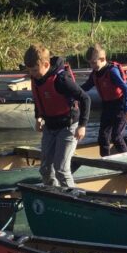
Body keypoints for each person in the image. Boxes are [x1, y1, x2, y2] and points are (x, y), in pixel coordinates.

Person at [24, 44, 91, 188]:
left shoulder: (61, 80)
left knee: (61, 169)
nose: (32, 74)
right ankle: (53, 193)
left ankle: (74, 197)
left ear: (46, 64)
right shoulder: (36, 78)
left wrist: (82, 125)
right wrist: (38, 117)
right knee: (45, 169)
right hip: (50, 126)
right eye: (29, 70)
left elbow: (85, 98)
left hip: (68, 126)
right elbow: (38, 98)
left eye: (34, 70)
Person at [80, 44, 127, 156]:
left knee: (116, 136)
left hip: (120, 107)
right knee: (103, 138)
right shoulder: (95, 73)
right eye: (90, 63)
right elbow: (85, 87)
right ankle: (105, 161)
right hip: (107, 107)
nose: (92, 66)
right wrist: (72, 93)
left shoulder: (112, 72)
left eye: (93, 63)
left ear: (102, 59)